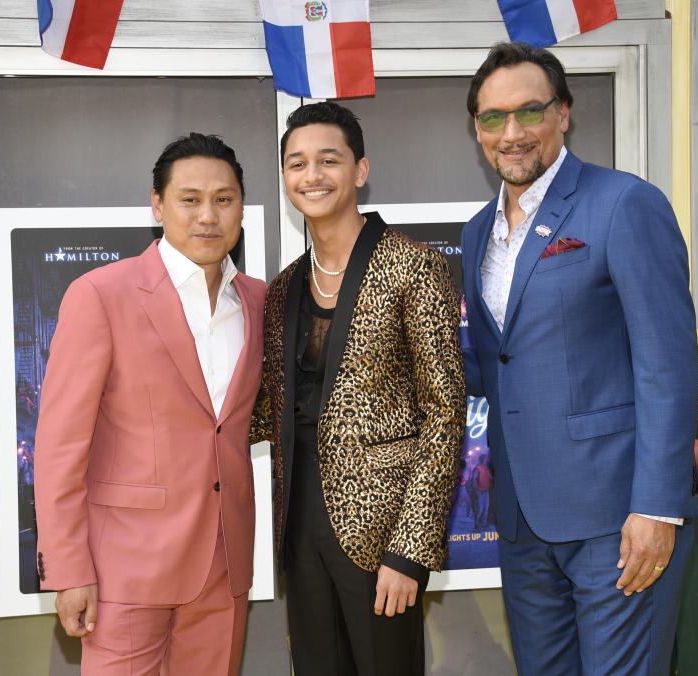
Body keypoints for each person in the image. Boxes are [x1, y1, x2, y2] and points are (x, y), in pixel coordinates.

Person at [460, 42, 698, 675]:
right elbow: (497, 361)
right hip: (522, 523)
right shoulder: (478, 232)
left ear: (563, 114)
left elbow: (668, 368)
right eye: (492, 118)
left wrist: (656, 508)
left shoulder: (624, 204)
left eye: (529, 111)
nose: (511, 134)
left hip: (617, 520)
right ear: (477, 130)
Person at [34, 133, 266, 675]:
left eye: (224, 199)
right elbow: (60, 446)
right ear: (158, 205)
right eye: (189, 199)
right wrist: (70, 570)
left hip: (224, 565)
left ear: (240, 207)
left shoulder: (259, 300)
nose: (207, 215)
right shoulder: (100, 294)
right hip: (124, 570)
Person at [252, 101, 465, 675]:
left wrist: (411, 549)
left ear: (360, 170)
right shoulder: (282, 289)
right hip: (298, 521)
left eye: (329, 160)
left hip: (383, 529)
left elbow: (444, 415)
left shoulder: (415, 267)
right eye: (296, 164)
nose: (312, 175)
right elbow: (264, 407)